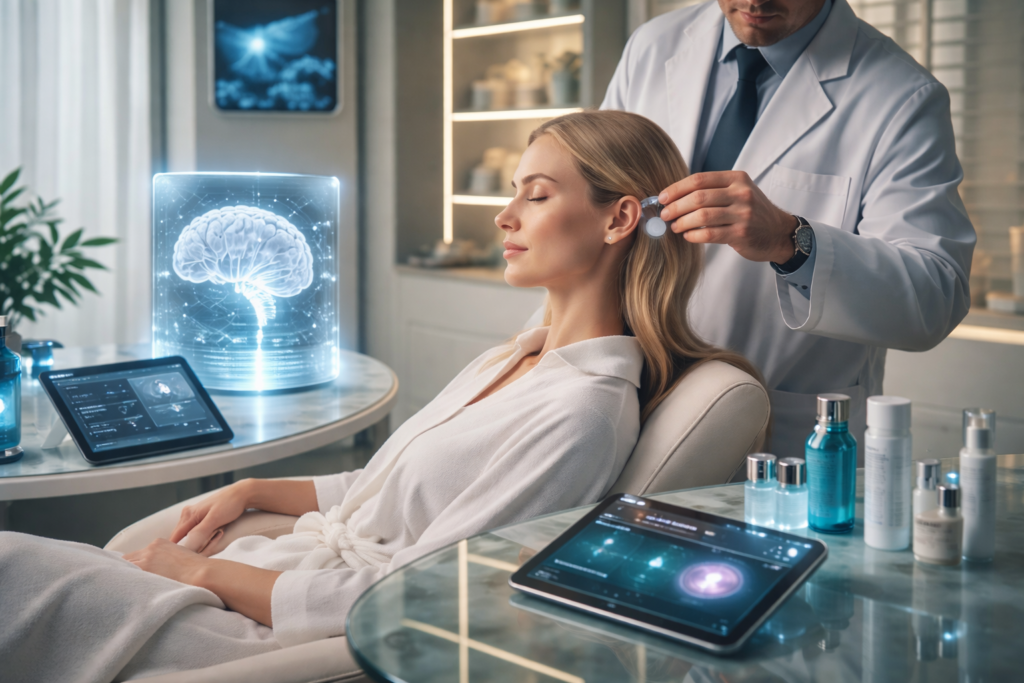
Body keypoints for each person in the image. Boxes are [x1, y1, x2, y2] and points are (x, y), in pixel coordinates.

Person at [0, 111, 761, 681]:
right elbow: (393, 485)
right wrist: (253, 488)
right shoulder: (518, 356)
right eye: (513, 194)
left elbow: (418, 588)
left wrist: (196, 572)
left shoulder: (583, 412)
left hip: (276, 632)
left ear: (620, 217)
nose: (504, 216)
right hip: (273, 569)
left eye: (535, 195)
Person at [602, 0, 975, 457]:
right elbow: (596, 204)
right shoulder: (652, 46)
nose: (757, 1)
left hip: (780, 438)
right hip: (625, 406)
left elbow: (934, 296)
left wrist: (789, 240)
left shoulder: (901, 96)